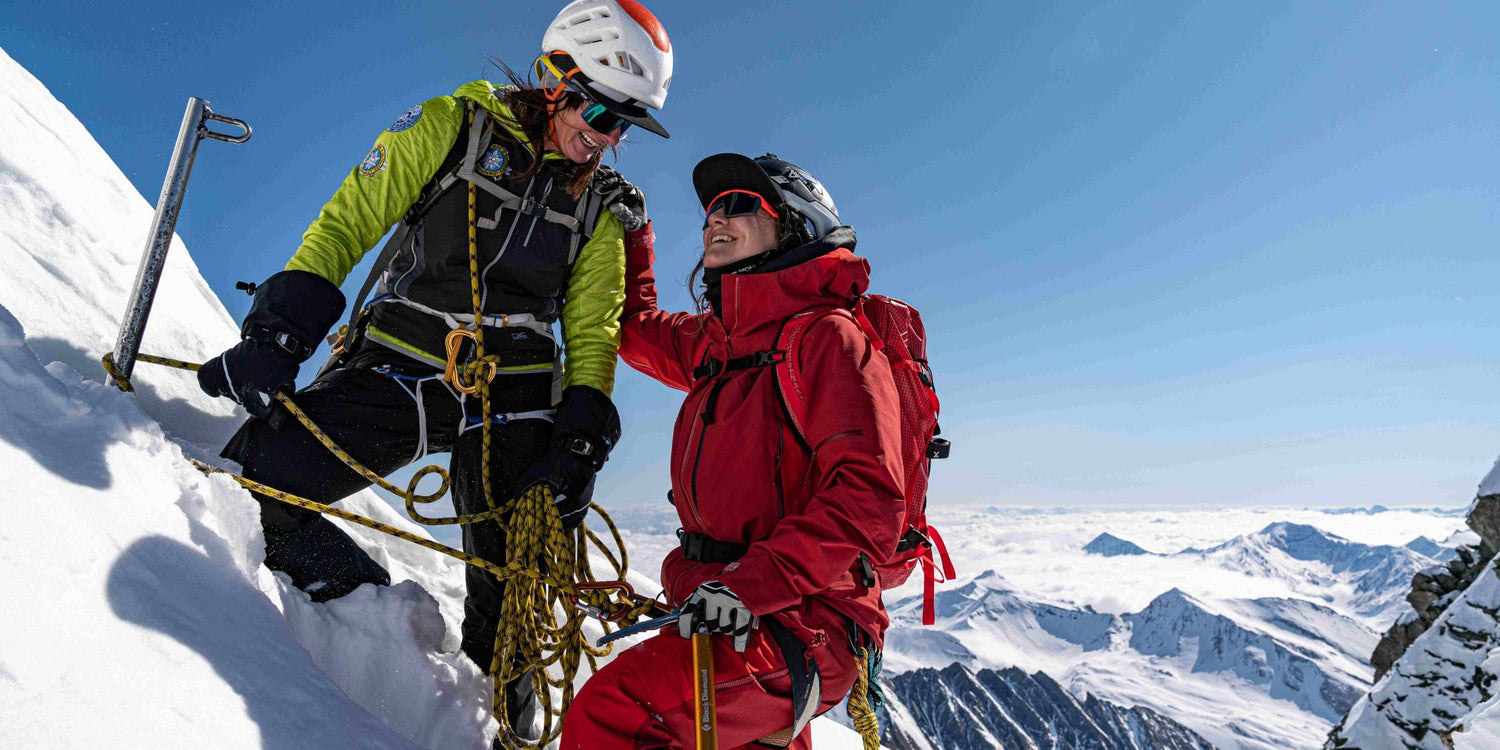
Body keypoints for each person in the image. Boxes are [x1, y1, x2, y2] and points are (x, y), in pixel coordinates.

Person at [193, 0, 672, 737]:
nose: (606, 140)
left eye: (622, 127)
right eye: (602, 114)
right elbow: (350, 219)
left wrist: (579, 443)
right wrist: (279, 334)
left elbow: (592, 331)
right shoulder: (450, 127)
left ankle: (492, 719)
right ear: (556, 81)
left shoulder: (602, 211)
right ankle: (375, 621)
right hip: (403, 366)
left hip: (514, 397)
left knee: (515, 594)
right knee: (258, 479)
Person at [560, 153, 905, 748]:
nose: (717, 217)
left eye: (743, 205)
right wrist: (636, 234)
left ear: (795, 227)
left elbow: (869, 496)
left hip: (800, 617)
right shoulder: (721, 344)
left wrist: (748, 586)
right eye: (713, 208)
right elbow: (635, 328)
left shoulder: (829, 337)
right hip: (728, 604)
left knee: (618, 711)